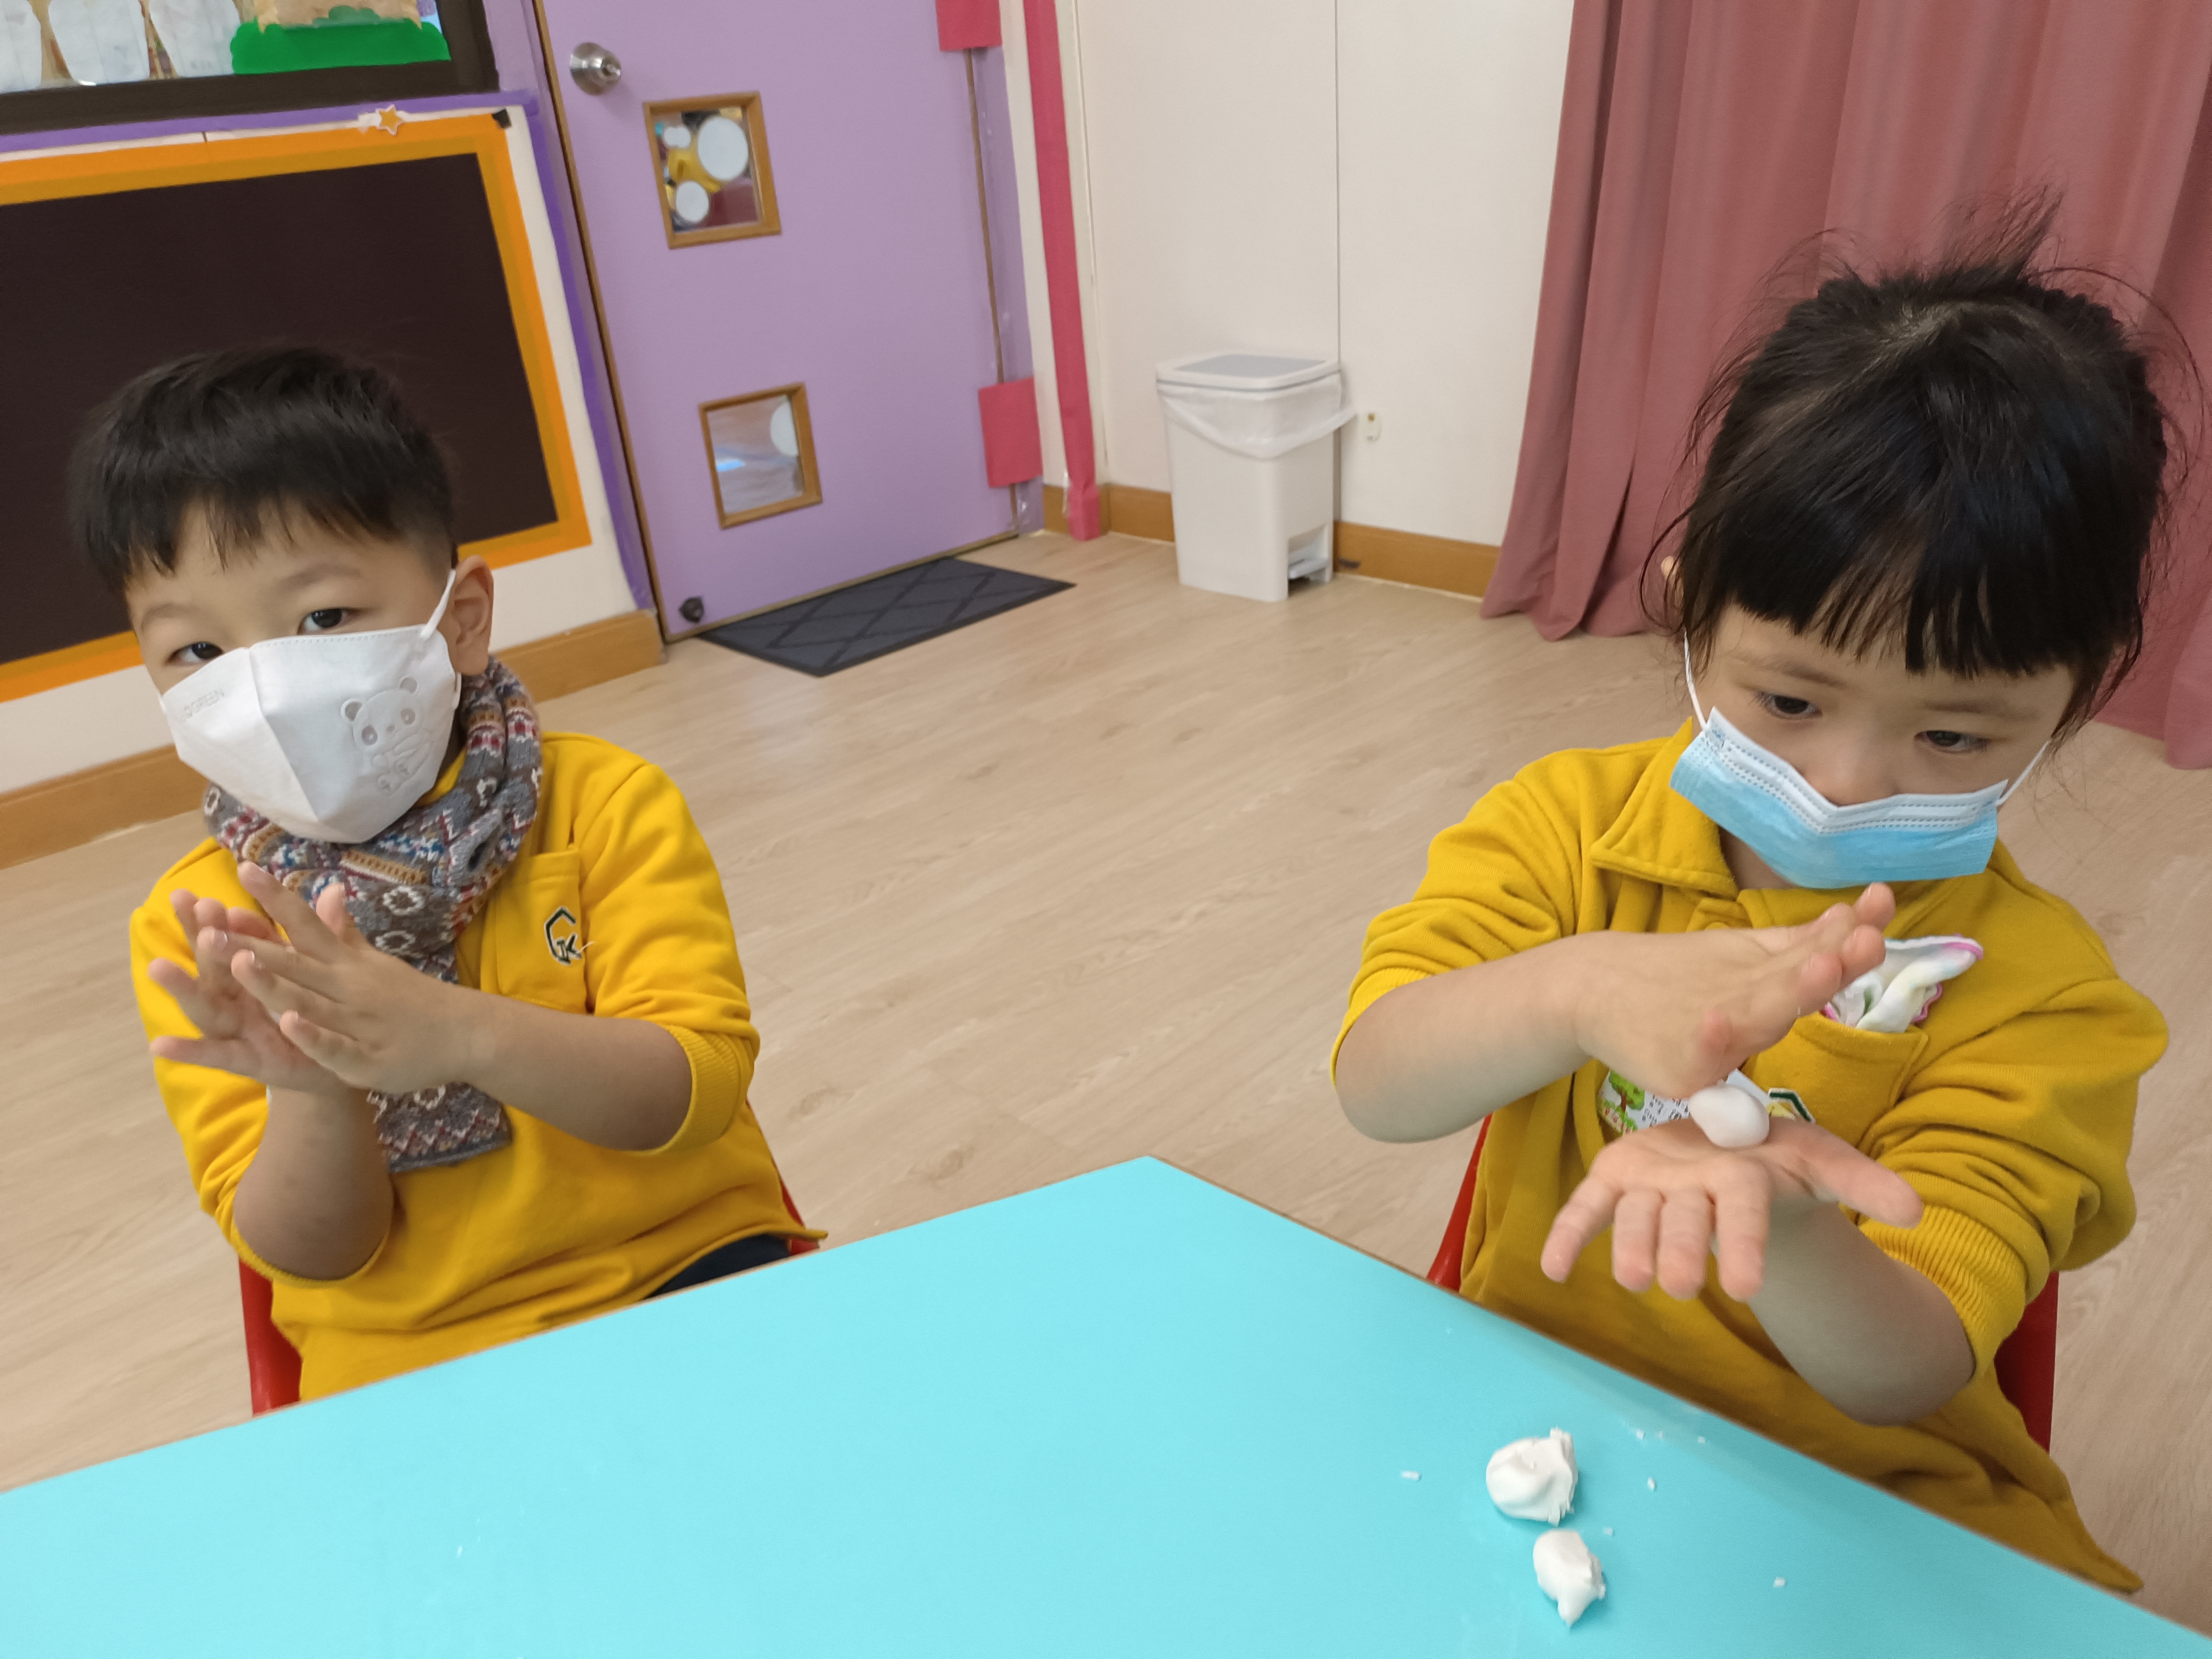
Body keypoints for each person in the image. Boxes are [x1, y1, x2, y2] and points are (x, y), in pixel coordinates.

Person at [1332, 228, 2171, 1588]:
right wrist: (1575, 987)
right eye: (1789, 699)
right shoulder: (1569, 831)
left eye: (1953, 735)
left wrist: (1783, 1222)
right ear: (1690, 611)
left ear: (2081, 693)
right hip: (1538, 1411)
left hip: (1865, 1500)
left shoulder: (2046, 1000)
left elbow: (1906, 1373)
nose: (1845, 783)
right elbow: (1379, 1084)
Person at [88, 347, 815, 1401]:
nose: (263, 690)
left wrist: (458, 1032)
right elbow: (314, 1256)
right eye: (197, 653)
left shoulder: (603, 806)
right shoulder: (200, 928)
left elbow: (692, 1095)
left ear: (462, 618)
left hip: (683, 1275)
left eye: (322, 620)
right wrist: (313, 1090)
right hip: (408, 1362)